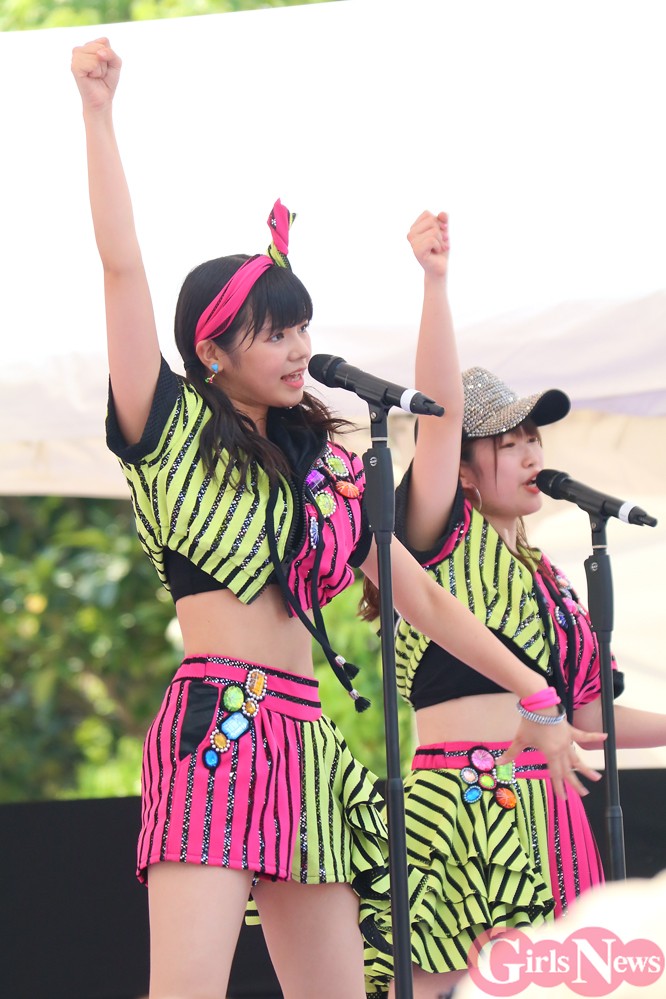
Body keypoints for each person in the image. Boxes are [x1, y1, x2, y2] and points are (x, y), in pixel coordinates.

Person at [71, 42, 605, 999]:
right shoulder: (168, 427)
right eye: (276, 332)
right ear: (212, 348)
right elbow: (121, 269)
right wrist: (98, 112)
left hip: (307, 738)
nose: (299, 348)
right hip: (218, 729)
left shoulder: (328, 467)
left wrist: (536, 692)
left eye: (303, 329)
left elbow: (424, 599)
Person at [360, 211, 666, 999]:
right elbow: (438, 420)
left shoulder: (555, 582)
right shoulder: (438, 535)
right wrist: (435, 284)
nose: (532, 453)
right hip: (461, 804)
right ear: (464, 469)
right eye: (509, 442)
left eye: (534, 438)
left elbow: (588, 713)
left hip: (550, 812)